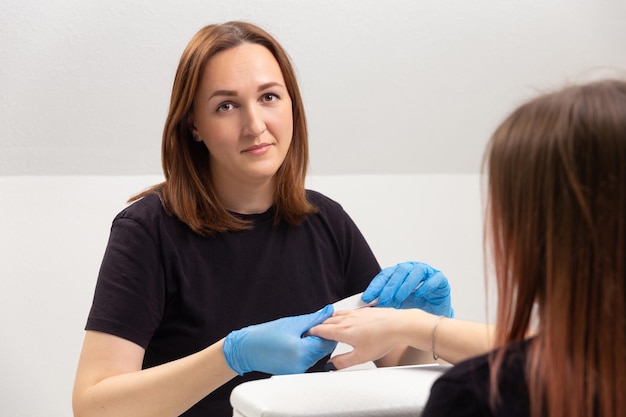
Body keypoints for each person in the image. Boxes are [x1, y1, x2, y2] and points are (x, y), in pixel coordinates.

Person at [71, 21, 452, 417]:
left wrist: (426, 326)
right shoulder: (148, 232)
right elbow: (93, 406)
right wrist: (230, 357)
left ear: (292, 105)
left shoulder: (328, 222)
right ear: (194, 126)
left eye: (269, 97)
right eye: (226, 106)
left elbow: (398, 366)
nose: (255, 126)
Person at [311, 79, 626, 417]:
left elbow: (552, 355)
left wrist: (416, 327)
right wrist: (416, 327)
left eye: (270, 96)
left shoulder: (474, 396)